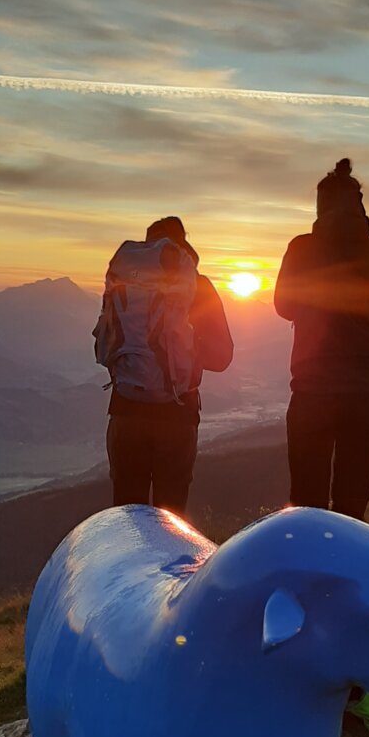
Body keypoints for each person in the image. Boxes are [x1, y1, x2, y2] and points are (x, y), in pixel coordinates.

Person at [274, 158, 369, 519]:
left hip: (311, 388)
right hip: (363, 390)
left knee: (306, 504)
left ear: (321, 205)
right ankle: (346, 573)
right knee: (352, 506)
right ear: (358, 205)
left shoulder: (301, 248)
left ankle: (306, 572)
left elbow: (282, 306)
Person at [95, 216, 233, 516]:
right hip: (177, 415)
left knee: (127, 520)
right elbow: (222, 357)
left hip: (125, 412)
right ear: (181, 247)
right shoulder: (197, 285)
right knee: (170, 521)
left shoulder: (126, 280)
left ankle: (128, 563)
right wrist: (185, 351)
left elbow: (107, 341)